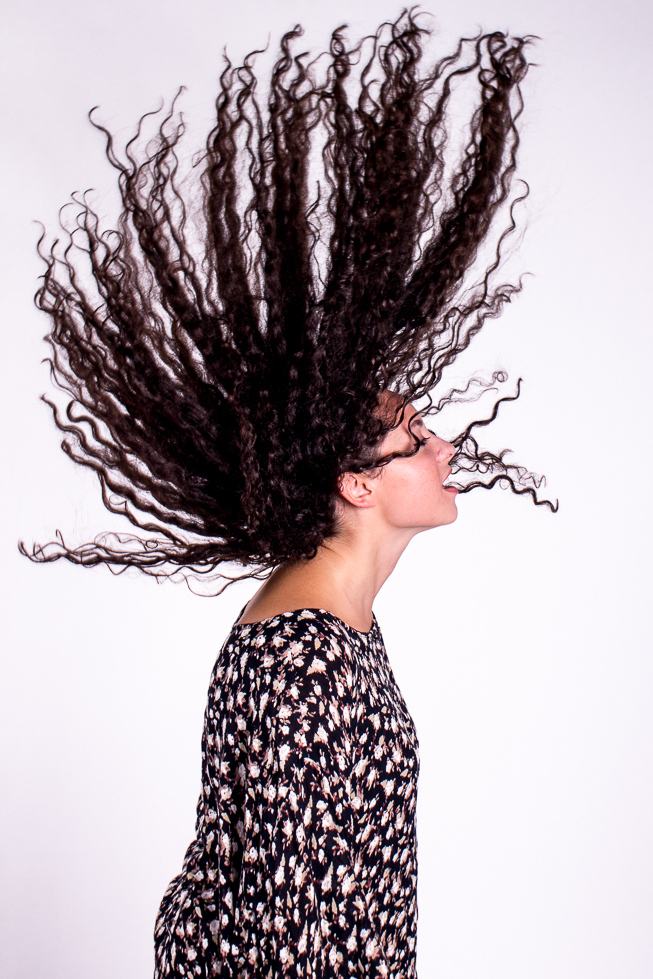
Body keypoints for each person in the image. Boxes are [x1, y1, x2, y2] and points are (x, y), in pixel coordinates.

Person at [21, 11, 556, 976]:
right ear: (356, 483)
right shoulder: (301, 660)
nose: (444, 447)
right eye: (414, 438)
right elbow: (288, 928)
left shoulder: (342, 628)